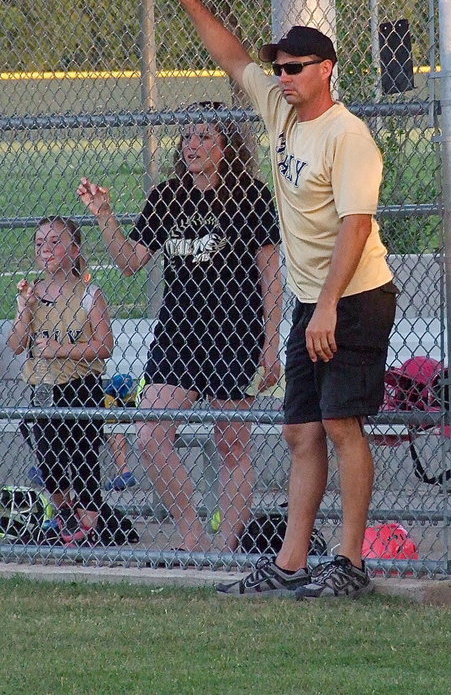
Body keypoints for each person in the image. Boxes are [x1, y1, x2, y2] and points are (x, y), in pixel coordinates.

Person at [160, 0, 398, 598]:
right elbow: (232, 56)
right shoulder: (282, 113)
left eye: (295, 67)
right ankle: (291, 564)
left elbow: (357, 227)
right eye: (280, 68)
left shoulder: (348, 136)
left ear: (326, 69)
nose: (282, 76)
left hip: (354, 297)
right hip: (309, 300)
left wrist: (324, 307)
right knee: (298, 428)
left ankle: (348, 564)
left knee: (341, 424)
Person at [77, 104, 282, 553]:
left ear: (226, 146)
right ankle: (192, 536)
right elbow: (130, 262)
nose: (192, 145)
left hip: (236, 331)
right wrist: (104, 214)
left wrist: (271, 345)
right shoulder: (167, 196)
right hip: (179, 333)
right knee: (150, 435)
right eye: (187, 136)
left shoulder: (252, 196)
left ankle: (227, 547)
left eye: (205, 137)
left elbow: (271, 275)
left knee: (232, 443)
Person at [7, 216, 114, 545]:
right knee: (49, 458)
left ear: (75, 249)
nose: (46, 248)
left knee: (83, 459)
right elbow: (16, 344)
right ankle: (70, 518)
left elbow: (105, 346)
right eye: (40, 243)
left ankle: (89, 528)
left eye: (55, 241)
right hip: (42, 390)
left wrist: (61, 350)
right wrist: (25, 310)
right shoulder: (32, 293)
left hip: (80, 386)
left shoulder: (88, 295)